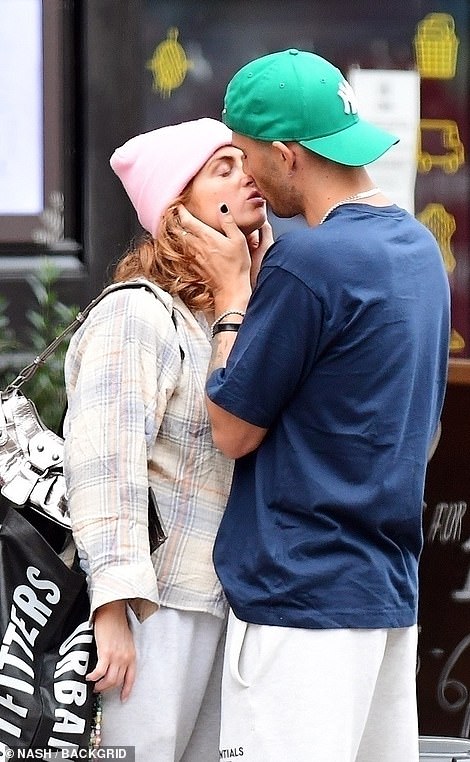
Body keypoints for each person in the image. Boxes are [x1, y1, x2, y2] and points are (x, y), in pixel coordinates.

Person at [178, 50, 451, 762]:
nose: (249, 179)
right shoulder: (420, 250)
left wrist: (237, 303)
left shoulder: (309, 261)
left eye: (247, 157)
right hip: (388, 594)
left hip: (300, 601)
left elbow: (232, 431)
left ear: (287, 154)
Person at [62, 117, 268, 762]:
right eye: (223, 169)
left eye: (245, 161)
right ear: (178, 209)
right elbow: (103, 465)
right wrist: (112, 613)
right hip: (153, 607)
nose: (248, 176)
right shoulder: (138, 312)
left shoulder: (226, 316)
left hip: (218, 601)